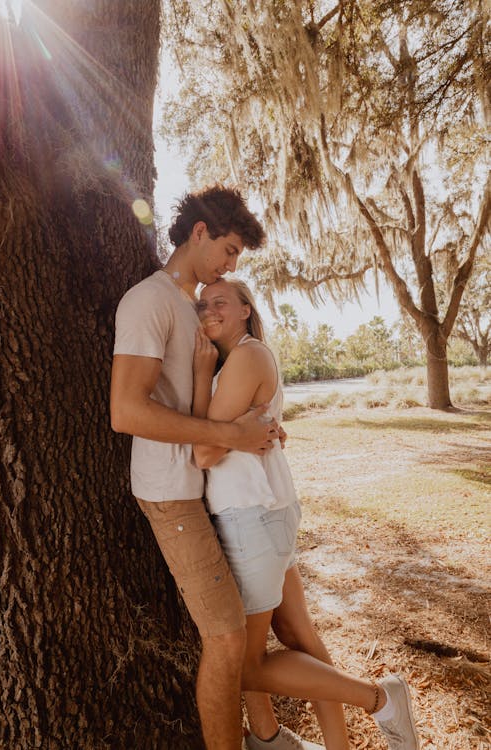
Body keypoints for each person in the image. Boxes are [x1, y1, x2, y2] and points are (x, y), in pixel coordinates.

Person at [110, 185, 315, 750]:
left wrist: (259, 424)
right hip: (172, 494)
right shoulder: (149, 301)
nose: (229, 265)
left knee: (253, 632)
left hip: (211, 493)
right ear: (199, 232)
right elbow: (125, 411)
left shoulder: (196, 306)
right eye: (227, 251)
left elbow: (224, 389)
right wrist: (230, 435)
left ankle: (270, 739)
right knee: (227, 642)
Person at [192, 277, 420, 750]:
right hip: (268, 512)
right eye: (201, 303)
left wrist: (201, 382)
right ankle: (325, 745)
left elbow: (204, 453)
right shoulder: (243, 358)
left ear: (245, 310)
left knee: (248, 665)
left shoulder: (248, 356)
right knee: (299, 635)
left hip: (251, 519)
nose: (207, 310)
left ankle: (381, 700)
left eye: (219, 302)